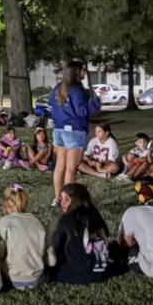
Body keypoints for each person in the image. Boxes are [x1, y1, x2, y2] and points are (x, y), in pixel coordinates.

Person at [49, 60, 101, 206]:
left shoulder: (58, 87)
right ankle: (68, 200)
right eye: (83, 70)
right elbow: (81, 111)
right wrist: (96, 101)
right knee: (71, 169)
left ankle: (57, 198)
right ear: (77, 72)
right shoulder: (77, 90)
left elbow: (50, 103)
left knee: (60, 167)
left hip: (59, 130)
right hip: (74, 131)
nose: (85, 72)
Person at [50, 183, 110, 285]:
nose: (62, 203)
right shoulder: (95, 215)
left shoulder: (67, 219)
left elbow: (56, 246)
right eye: (61, 199)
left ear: (76, 200)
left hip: (79, 274)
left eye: (67, 199)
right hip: (102, 272)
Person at [0, 184, 47, 289]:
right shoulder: (37, 221)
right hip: (37, 278)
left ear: (7, 204)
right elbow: (49, 256)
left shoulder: (5, 222)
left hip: (14, 278)